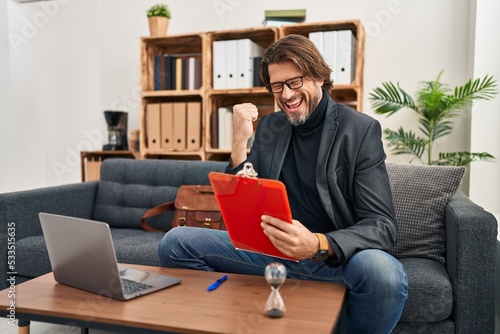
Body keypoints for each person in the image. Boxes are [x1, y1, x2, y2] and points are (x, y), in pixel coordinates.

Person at [158, 34, 408, 333]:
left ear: (318, 76)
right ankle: (233, 320)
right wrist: (240, 140)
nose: (286, 95)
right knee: (176, 242)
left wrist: (316, 243)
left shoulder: (359, 130)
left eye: (295, 82)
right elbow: (243, 197)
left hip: (332, 260)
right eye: (277, 86)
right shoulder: (272, 127)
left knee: (382, 273)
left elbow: (382, 225)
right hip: (273, 253)